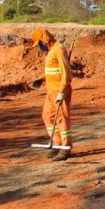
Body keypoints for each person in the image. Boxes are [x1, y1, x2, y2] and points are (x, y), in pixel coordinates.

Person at [30, 28, 73, 160]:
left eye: (39, 43)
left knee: (61, 119)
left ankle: (65, 149)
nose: (39, 47)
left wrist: (62, 91)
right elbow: (53, 70)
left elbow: (66, 72)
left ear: (45, 39)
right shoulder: (51, 50)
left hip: (60, 90)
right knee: (47, 116)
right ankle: (57, 143)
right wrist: (41, 78)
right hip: (51, 90)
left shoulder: (58, 48)